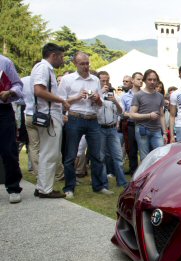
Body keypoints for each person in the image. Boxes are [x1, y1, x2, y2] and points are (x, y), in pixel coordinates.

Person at [58, 51, 112, 199]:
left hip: (92, 119)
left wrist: (97, 98)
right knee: (71, 155)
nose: (86, 66)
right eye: (82, 63)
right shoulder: (68, 79)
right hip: (75, 118)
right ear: (75, 64)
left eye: (87, 63)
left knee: (97, 155)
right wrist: (76, 97)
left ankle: (99, 186)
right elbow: (61, 102)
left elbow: (100, 103)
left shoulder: (95, 79)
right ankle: (69, 187)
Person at [31, 43, 70, 198]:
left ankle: (41, 186)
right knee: (50, 154)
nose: (62, 60)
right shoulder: (44, 68)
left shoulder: (43, 68)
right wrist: (61, 100)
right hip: (49, 115)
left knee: (46, 153)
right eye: (61, 57)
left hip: (48, 114)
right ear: (53, 55)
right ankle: (45, 189)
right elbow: (39, 91)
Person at [97, 71, 127, 188]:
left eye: (107, 80)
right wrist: (100, 93)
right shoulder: (95, 94)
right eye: (102, 81)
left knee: (118, 156)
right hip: (99, 128)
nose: (105, 83)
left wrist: (115, 101)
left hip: (112, 129)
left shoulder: (114, 95)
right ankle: (104, 184)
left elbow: (121, 113)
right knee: (101, 157)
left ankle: (122, 182)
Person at [0, 54, 23, 203]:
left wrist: (10, 92)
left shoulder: (4, 62)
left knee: (8, 150)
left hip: (2, 110)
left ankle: (13, 188)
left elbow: (18, 85)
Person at [130, 69, 167, 160]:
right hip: (142, 130)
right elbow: (132, 114)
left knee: (160, 156)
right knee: (145, 158)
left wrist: (165, 133)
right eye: (149, 79)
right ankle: (146, 174)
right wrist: (148, 115)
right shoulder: (138, 95)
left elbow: (162, 115)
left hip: (157, 131)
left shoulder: (160, 96)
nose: (152, 82)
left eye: (154, 80)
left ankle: (157, 174)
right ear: (145, 80)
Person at [121, 72, 142, 175]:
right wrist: (131, 115)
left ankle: (143, 171)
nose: (141, 81)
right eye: (138, 79)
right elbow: (122, 112)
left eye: (142, 79)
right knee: (132, 149)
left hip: (143, 124)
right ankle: (133, 170)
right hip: (131, 125)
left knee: (143, 148)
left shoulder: (145, 94)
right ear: (133, 80)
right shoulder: (125, 96)